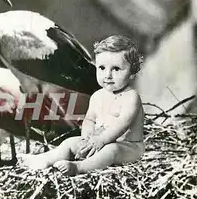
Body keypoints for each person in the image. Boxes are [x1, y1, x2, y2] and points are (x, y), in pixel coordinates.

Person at [21, 35, 145, 176]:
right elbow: (90, 120)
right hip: (98, 142)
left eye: (116, 69)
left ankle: (79, 168)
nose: (108, 75)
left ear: (132, 73)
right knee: (69, 143)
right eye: (102, 68)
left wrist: (101, 140)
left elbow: (123, 123)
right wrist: (87, 138)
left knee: (112, 151)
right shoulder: (97, 96)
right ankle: (45, 160)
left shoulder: (131, 97)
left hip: (128, 147)